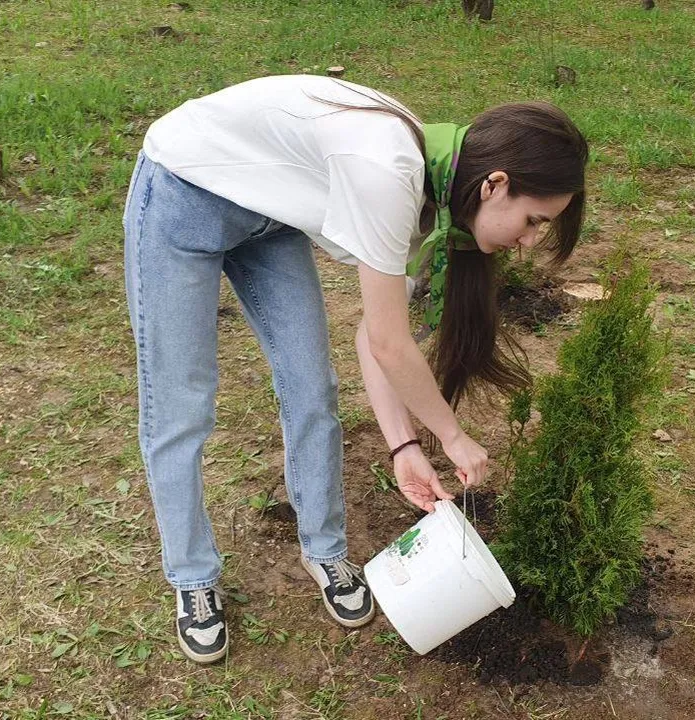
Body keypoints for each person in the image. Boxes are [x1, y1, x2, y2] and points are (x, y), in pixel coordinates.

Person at [122, 74, 587, 664]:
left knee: (313, 389)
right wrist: (452, 436)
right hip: (184, 191)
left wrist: (404, 447)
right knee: (181, 402)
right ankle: (192, 576)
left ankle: (324, 550)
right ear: (495, 185)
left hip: (267, 217)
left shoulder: (436, 197)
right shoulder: (392, 171)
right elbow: (394, 343)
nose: (529, 241)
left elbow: (374, 334)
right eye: (534, 221)